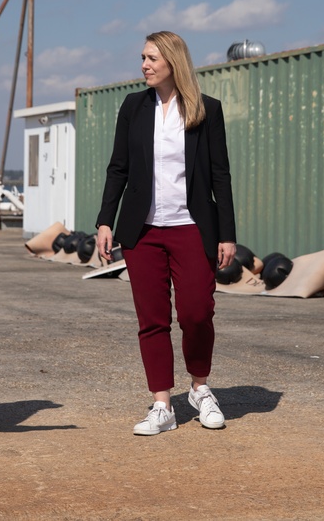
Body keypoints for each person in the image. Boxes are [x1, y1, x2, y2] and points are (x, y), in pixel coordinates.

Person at [96, 30, 237, 436]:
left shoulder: (206, 109)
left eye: (152, 58)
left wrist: (226, 233)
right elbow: (118, 168)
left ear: (173, 61)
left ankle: (200, 388)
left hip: (193, 228)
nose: (145, 65)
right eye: (142, 57)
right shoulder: (133, 107)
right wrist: (106, 220)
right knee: (152, 319)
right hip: (143, 231)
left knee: (196, 313)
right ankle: (162, 405)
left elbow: (220, 175)